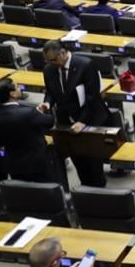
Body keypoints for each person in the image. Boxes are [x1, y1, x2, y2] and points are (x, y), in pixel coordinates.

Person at [41, 41, 110, 187]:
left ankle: (99, 187)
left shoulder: (85, 65)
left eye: (54, 59)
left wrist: (83, 121)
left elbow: (92, 96)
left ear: (64, 52)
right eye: (48, 60)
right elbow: (50, 91)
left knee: (92, 158)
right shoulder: (49, 69)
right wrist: (47, 102)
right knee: (76, 156)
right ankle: (85, 185)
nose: (51, 63)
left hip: (90, 117)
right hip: (66, 120)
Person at [0, 78, 55, 182]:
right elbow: (50, 122)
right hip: (37, 162)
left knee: (24, 193)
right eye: (17, 87)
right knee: (46, 192)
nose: (20, 88)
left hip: (14, 164)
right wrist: (45, 110)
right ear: (12, 94)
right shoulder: (28, 113)